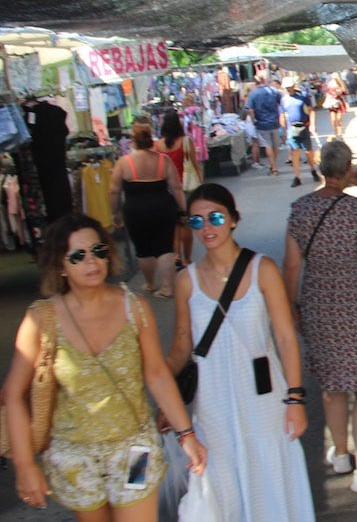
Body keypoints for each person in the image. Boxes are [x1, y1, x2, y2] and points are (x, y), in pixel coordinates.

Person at [2, 213, 207, 518]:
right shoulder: (42, 319)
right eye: (78, 255)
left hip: (135, 450)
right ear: (60, 266)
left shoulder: (134, 308)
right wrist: (24, 464)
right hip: (74, 460)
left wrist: (186, 434)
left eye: (98, 251)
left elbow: (157, 374)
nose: (92, 261)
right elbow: (13, 394)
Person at [166, 183, 314, 520]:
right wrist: (164, 391)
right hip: (212, 399)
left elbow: (286, 337)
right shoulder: (186, 280)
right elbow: (180, 345)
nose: (206, 227)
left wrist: (295, 400)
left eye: (215, 217)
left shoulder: (262, 269)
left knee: (270, 474)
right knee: (222, 479)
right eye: (196, 221)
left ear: (233, 219)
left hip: (264, 398)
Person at [282, 140, 357, 494]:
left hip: (318, 304)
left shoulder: (299, 210)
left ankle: (340, 453)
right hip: (355, 305)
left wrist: (292, 307)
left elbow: (291, 266)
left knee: (332, 385)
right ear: (348, 169)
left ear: (320, 169)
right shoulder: (356, 210)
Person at [109, 117, 185, 298]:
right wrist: (183, 210)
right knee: (165, 248)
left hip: (135, 210)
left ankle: (150, 283)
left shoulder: (124, 162)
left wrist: (114, 212)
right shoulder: (163, 160)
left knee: (143, 249)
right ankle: (168, 287)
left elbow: (114, 191)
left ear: (133, 140)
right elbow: (176, 187)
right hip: (163, 208)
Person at [155, 110, 202, 267]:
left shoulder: (158, 145)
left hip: (166, 189)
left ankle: (176, 254)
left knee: (173, 225)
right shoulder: (186, 141)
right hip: (185, 188)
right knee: (186, 224)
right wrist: (201, 184)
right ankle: (187, 258)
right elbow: (195, 165)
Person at [280, 76, 321, 188]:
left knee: (308, 152)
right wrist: (283, 130)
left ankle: (312, 169)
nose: (288, 89)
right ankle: (297, 176)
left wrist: (312, 124)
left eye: (289, 87)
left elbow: (311, 110)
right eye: (286, 87)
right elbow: (282, 114)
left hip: (303, 126)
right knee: (295, 152)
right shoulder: (284, 100)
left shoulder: (302, 96)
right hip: (291, 128)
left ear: (293, 86)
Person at [246, 76, 283, 176]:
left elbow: (250, 109)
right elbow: (281, 103)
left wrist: (254, 120)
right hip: (274, 121)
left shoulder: (253, 94)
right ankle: (273, 165)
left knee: (268, 145)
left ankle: (273, 167)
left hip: (262, 123)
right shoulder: (273, 91)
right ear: (264, 81)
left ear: (255, 83)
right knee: (275, 145)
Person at [324, 73, 347, 138]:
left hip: (339, 102)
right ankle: (335, 132)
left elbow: (344, 92)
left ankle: (340, 133)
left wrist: (339, 90)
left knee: (339, 118)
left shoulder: (340, 84)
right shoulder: (329, 84)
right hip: (332, 103)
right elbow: (326, 92)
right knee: (333, 119)